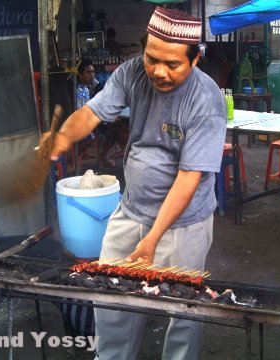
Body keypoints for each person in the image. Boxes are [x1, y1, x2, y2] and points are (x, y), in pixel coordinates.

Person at [44, 6, 226, 360]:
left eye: (172, 64)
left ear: (195, 61)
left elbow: (189, 179)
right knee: (110, 297)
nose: (159, 71)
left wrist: (152, 240)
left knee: (183, 309)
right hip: (131, 210)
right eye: (151, 58)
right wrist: (63, 136)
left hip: (185, 224)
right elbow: (93, 112)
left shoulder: (205, 100)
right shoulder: (131, 73)